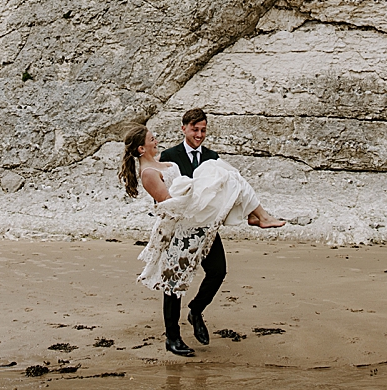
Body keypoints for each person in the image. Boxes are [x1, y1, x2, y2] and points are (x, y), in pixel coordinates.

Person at [120, 112, 284, 357]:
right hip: (181, 228)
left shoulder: (171, 163)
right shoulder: (156, 168)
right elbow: (168, 203)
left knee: (218, 271)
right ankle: (172, 337)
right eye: (152, 139)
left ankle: (196, 310)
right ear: (142, 148)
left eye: (203, 130)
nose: (157, 141)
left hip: (203, 225)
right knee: (173, 284)